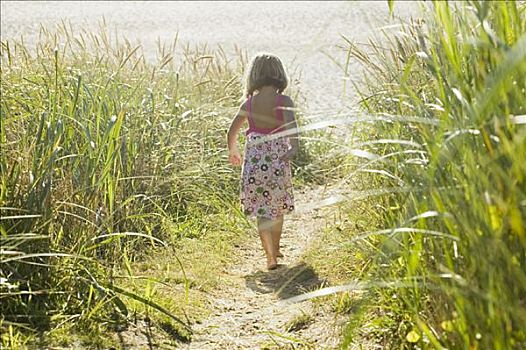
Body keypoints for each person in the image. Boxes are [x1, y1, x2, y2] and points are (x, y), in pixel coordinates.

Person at [227, 53, 299, 270]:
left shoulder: (249, 103)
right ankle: (276, 248)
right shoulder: (283, 101)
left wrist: (233, 150)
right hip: (277, 162)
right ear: (279, 75)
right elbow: (292, 128)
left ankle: (270, 257)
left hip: (254, 165)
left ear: (254, 76)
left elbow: (232, 131)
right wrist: (293, 146)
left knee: (261, 211)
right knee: (276, 209)